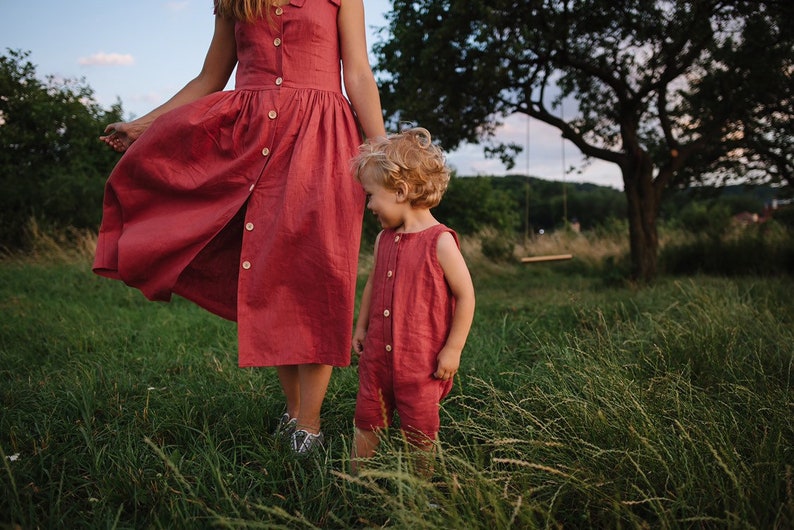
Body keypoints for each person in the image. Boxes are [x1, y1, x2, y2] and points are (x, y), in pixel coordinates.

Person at [93, 0, 386, 454]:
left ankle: (309, 425)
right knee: (271, 277)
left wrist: (379, 148)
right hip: (252, 141)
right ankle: (294, 415)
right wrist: (143, 126)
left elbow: (359, 73)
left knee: (321, 274)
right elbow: (210, 77)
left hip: (324, 141)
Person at [349, 127, 475, 473]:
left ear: (400, 191)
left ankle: (422, 491)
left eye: (371, 195)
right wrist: (361, 327)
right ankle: (359, 479)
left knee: (420, 428)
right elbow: (373, 285)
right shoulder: (383, 240)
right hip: (377, 357)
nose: (370, 205)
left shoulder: (440, 241)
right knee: (367, 416)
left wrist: (453, 349)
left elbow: (466, 296)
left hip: (421, 361)